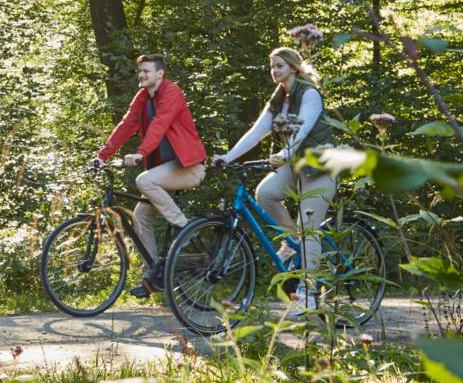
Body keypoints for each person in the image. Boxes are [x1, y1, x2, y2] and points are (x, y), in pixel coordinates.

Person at [212, 47, 335, 314]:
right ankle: (290, 243)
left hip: (319, 167)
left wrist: (283, 153)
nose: (274, 71)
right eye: (272, 66)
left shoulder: (309, 93)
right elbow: (257, 131)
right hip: (293, 165)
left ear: (292, 67)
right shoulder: (280, 97)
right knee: (265, 193)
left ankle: (308, 294)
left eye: (279, 66)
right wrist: (228, 156)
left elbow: (302, 131)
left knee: (308, 228)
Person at [93, 54, 207, 298]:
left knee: (144, 180)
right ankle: (153, 277)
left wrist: (140, 152)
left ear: (160, 74)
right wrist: (102, 155)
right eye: (140, 71)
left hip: (188, 168)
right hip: (166, 170)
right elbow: (126, 125)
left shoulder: (171, 92)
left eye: (147, 71)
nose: (142, 75)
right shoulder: (143, 97)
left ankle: (184, 227)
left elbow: (161, 124)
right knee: (141, 216)